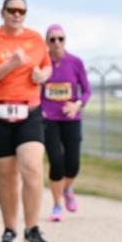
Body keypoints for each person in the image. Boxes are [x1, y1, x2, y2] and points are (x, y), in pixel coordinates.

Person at [0, 0, 53, 242]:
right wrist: (11, 64)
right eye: (12, 10)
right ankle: (10, 229)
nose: (17, 14)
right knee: (7, 175)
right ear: (3, 12)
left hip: (29, 111)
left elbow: (46, 66)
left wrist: (43, 74)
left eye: (21, 10)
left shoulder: (35, 38)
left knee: (32, 167)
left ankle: (32, 228)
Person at [41, 24, 91, 221]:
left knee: (73, 164)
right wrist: (40, 110)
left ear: (65, 40)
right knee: (56, 163)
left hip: (71, 118)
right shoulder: (42, 63)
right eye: (52, 39)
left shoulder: (75, 62)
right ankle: (56, 206)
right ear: (47, 42)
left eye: (60, 38)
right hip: (49, 120)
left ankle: (68, 188)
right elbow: (34, 89)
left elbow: (87, 91)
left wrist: (77, 105)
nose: (57, 43)